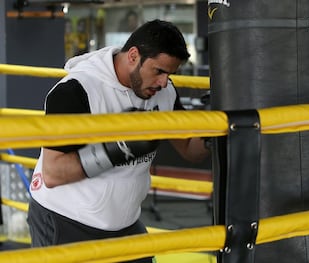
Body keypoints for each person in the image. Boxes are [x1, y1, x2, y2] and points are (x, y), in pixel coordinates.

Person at [27, 19, 210, 263]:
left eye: (170, 74)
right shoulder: (77, 90)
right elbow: (53, 173)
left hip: (124, 224)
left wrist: (212, 127)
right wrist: (117, 150)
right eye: (159, 71)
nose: (164, 82)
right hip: (66, 220)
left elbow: (190, 149)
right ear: (133, 56)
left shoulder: (164, 92)